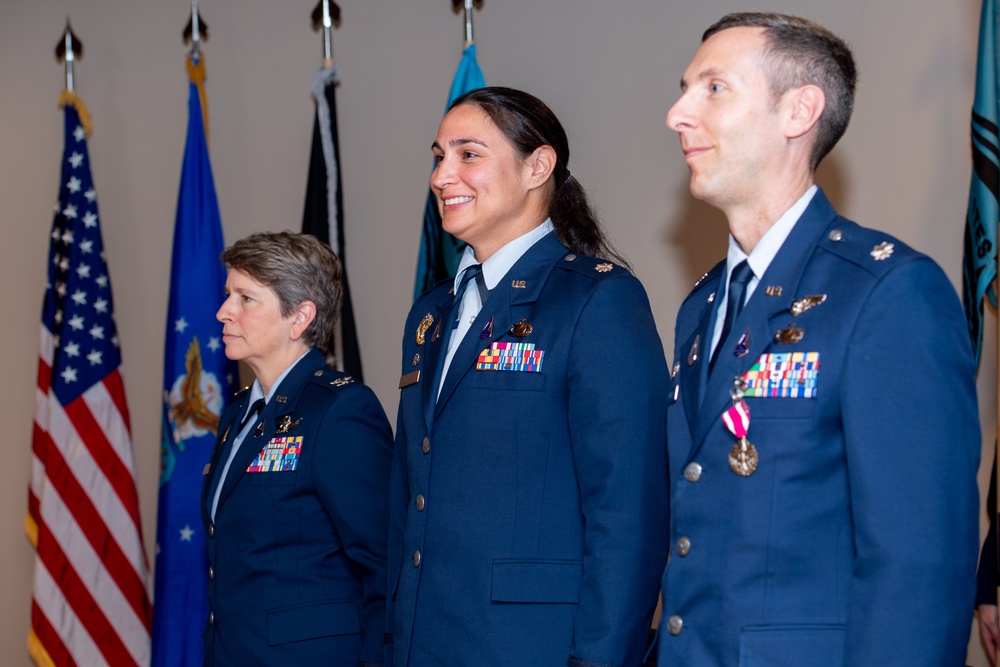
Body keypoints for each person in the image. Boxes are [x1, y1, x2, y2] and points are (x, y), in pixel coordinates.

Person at [656, 12, 981, 666]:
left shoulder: (887, 295)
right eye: (684, 87)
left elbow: (916, 569)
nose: (677, 113)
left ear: (799, 111)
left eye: (713, 89)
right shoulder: (704, 305)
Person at [388, 86, 669, 667]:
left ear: (538, 166)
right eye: (439, 156)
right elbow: (406, 496)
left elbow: (628, 516)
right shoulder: (430, 313)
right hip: (423, 642)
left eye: (469, 154)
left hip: (528, 646)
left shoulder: (597, 301)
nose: (443, 177)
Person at [201, 231, 393, 666]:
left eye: (245, 299)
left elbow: (384, 563)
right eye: (228, 294)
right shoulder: (238, 414)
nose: (223, 312)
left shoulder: (341, 411)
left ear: (300, 317)